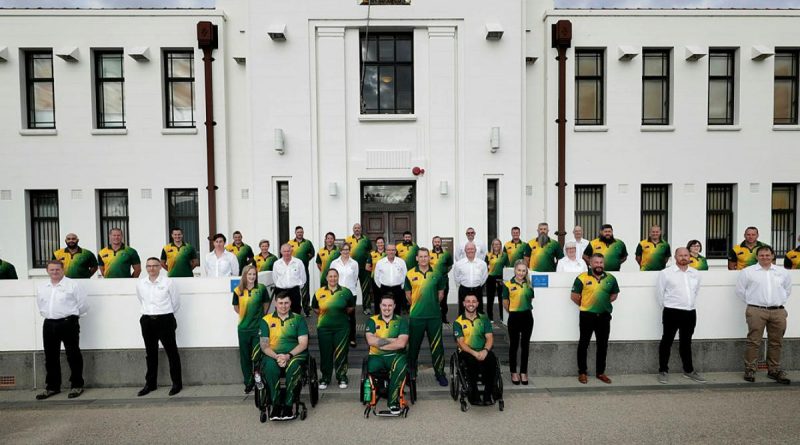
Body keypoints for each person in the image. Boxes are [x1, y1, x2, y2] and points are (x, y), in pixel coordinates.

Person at [736, 245, 792, 384]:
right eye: (761, 255)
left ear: (773, 256)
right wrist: (754, 302)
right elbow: (740, 291)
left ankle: (774, 370)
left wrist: (777, 302)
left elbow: (787, 290)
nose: (765, 257)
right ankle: (750, 369)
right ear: (757, 256)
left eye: (767, 255)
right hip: (756, 310)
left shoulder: (782, 272)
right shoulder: (748, 272)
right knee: (754, 341)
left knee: (776, 342)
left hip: (778, 311)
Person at [35, 260, 89, 400]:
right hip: (49, 323)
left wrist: (73, 317)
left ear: (63, 270)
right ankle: (52, 387)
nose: (54, 272)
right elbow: (41, 304)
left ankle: (77, 385)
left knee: (73, 354)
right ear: (47, 271)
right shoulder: (43, 287)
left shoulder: (72, 285)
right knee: (50, 356)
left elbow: (82, 304)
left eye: (57, 269)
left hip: (68, 322)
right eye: (52, 270)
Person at [655, 248, 705, 384]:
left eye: (686, 255)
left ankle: (688, 371)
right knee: (667, 341)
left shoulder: (695, 273)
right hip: (672, 311)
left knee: (686, 342)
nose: (683, 257)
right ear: (675, 257)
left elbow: (696, 291)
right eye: (680, 255)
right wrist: (667, 306)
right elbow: (660, 293)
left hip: (690, 312)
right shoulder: (666, 273)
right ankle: (663, 370)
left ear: (690, 256)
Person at [258, 292, 309, 420]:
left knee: (293, 366)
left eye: (286, 303)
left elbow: (303, 344)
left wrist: (288, 356)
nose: (283, 306)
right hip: (272, 355)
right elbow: (264, 346)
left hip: (295, 354)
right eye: (280, 303)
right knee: (269, 368)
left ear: (290, 303)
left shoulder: (298, 319)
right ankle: (275, 405)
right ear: (276, 303)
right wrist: (277, 357)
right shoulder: (266, 320)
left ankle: (288, 405)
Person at [136, 257, 183, 397]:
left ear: (160, 267)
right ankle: (150, 384)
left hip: (165, 319)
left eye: (155, 266)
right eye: (149, 266)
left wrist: (164, 314)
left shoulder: (168, 282)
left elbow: (175, 303)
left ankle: (176, 384)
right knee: (150, 354)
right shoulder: (141, 284)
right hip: (147, 320)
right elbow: (141, 299)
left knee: (172, 352)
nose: (152, 268)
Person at [571, 253, 620, 384]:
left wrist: (602, 304)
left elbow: (614, 294)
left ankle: (600, 372)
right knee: (583, 344)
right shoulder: (582, 278)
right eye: (596, 262)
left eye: (601, 263)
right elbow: (574, 296)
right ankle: (582, 372)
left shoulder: (611, 278)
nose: (599, 265)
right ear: (591, 264)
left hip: (604, 316)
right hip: (587, 316)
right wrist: (587, 305)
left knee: (602, 345)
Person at [404, 247, 448, 386]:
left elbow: (441, 294)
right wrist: (418, 305)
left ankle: (440, 373)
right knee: (413, 348)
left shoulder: (437, 273)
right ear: (417, 258)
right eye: (421, 256)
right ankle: (411, 374)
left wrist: (431, 304)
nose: (423, 259)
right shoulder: (410, 274)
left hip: (434, 316)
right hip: (416, 317)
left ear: (429, 258)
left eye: (425, 256)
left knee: (437, 347)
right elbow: (408, 296)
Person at [365, 294, 409, 415]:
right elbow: (370, 341)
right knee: (372, 368)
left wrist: (380, 342)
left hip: (396, 355)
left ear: (394, 306)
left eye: (390, 305)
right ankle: (382, 390)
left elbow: (401, 344)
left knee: (399, 367)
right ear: (380, 306)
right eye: (384, 305)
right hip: (376, 357)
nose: (387, 308)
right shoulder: (372, 321)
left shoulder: (401, 321)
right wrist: (393, 340)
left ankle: (393, 402)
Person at [313, 269, 355, 389]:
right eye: (330, 276)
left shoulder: (346, 292)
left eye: (335, 276)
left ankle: (342, 377)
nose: (333, 279)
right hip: (324, 329)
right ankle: (325, 378)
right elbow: (315, 308)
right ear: (326, 278)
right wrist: (326, 315)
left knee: (341, 353)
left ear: (338, 277)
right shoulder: (319, 292)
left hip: (342, 328)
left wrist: (337, 314)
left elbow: (350, 308)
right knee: (325, 353)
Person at [232, 264, 271, 394]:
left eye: (254, 274)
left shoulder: (261, 288)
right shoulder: (238, 290)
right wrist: (246, 315)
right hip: (243, 329)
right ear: (244, 275)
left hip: (257, 329)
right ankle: (248, 382)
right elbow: (236, 308)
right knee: (245, 357)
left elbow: (266, 304)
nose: (252, 277)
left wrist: (260, 317)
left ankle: (259, 379)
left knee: (257, 355)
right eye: (249, 274)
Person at [453, 294, 496, 405]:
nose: (470, 304)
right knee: (471, 362)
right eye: (468, 301)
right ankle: (474, 395)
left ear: (477, 303)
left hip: (483, 350)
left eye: (473, 301)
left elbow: (490, 338)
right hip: (467, 351)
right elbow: (461, 343)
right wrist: (475, 353)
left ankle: (488, 395)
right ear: (463, 304)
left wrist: (485, 351)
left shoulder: (484, 319)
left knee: (492, 360)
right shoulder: (458, 322)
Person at [502, 260, 534, 385]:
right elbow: (505, 303)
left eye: (523, 270)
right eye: (519, 270)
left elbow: (530, 299)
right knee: (514, 346)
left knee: (525, 346)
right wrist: (513, 311)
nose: (521, 273)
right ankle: (513, 372)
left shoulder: (529, 284)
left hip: (527, 317)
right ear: (515, 270)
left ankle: (524, 372)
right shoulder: (508, 284)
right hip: (514, 317)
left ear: (526, 272)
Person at [330, 243, 360, 347]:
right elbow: (331, 277)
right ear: (340, 251)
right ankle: (338, 338)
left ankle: (352, 338)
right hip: (337, 293)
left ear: (349, 250)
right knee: (337, 316)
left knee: (351, 316)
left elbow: (355, 277)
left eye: (347, 250)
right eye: (343, 250)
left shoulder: (354, 263)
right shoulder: (334, 263)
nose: (345, 252)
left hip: (351, 293)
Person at [345, 223, 374, 315]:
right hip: (351, 268)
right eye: (355, 228)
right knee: (350, 287)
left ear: (361, 229)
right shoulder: (348, 239)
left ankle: (367, 308)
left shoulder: (366, 239)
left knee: (366, 289)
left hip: (364, 268)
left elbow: (371, 252)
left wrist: (368, 262)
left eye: (358, 228)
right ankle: (349, 306)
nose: (357, 229)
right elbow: (345, 252)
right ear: (353, 229)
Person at [454, 242, 488, 316]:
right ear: (465, 250)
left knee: (479, 311)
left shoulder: (482, 264)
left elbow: (484, 277)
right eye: (468, 249)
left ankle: (478, 326)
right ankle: (462, 326)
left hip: (477, 290)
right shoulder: (459, 264)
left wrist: (477, 284)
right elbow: (457, 277)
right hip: (464, 290)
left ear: (475, 250)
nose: (470, 250)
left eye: (472, 249)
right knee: (462, 312)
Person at [288, 226, 315, 316]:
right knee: (293, 290)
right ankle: (294, 310)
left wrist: (306, 259)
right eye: (298, 232)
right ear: (295, 233)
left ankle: (307, 310)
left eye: (301, 232)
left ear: (303, 233)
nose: (300, 233)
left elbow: (312, 253)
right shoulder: (290, 243)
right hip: (292, 271)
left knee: (305, 291)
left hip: (304, 270)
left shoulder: (307, 243)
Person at [272, 243, 307, 314]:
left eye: (288, 251)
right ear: (281, 252)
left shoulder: (298, 262)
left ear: (291, 251)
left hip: (294, 291)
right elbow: (275, 278)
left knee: (296, 311)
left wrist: (297, 287)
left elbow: (303, 278)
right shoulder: (276, 264)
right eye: (284, 251)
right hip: (280, 291)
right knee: (281, 312)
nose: (286, 253)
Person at [374, 243, 408, 314]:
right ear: (386, 251)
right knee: (385, 309)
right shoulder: (380, 262)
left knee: (397, 309)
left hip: (397, 289)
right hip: (384, 289)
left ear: (395, 251)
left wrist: (402, 287)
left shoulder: (401, 262)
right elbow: (376, 276)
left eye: (393, 250)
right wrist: (381, 286)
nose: (391, 252)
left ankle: (396, 324)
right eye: (389, 250)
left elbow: (405, 275)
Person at [430, 235, 454, 323]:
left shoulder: (446, 254)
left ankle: (444, 318)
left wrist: (443, 273)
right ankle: (433, 317)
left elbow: (450, 265)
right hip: (432, 281)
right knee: (432, 299)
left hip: (443, 281)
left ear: (441, 243)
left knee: (443, 300)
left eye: (438, 242)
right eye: (435, 242)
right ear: (433, 243)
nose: (437, 244)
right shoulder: (429, 253)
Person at [485, 239, 508, 321]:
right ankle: (490, 318)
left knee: (501, 298)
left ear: (500, 245)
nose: (496, 246)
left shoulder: (504, 255)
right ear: (492, 246)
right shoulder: (488, 255)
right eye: (494, 244)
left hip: (500, 278)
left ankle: (502, 317)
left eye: (498, 244)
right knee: (490, 298)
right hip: (490, 278)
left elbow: (507, 267)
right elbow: (485, 268)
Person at [369, 237, 387, 311]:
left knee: (386, 297)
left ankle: (386, 312)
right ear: (376, 244)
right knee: (377, 297)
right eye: (378, 243)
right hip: (375, 279)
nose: (380, 244)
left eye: (381, 242)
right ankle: (377, 313)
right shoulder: (372, 254)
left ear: (384, 243)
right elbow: (367, 267)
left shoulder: (387, 253)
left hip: (386, 279)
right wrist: (375, 271)